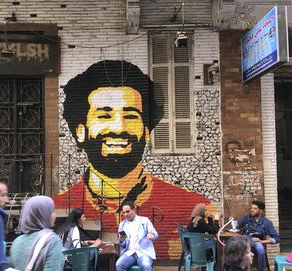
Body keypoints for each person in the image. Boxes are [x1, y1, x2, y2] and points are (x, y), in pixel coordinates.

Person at [54, 60, 211, 259]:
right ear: (80, 131)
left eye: (130, 116)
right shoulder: (60, 203)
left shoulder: (195, 202)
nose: (119, 128)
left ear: (146, 131)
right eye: (104, 116)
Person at [10, 196, 64, 271]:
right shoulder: (51, 241)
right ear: (43, 215)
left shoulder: (17, 242)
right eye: (51, 211)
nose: (55, 215)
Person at [116, 201, 158, 271]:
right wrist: (121, 240)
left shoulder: (144, 221)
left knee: (146, 265)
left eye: (128, 211)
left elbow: (155, 233)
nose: (125, 214)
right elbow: (123, 244)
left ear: (134, 210)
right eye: (124, 212)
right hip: (129, 253)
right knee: (119, 265)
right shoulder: (122, 225)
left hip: (143, 252)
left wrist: (151, 235)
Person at [237, 200, 280, 271]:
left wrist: (261, 242)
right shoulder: (247, 218)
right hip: (245, 242)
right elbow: (236, 226)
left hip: (257, 244)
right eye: (252, 208)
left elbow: (276, 238)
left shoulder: (266, 222)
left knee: (260, 249)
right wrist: (232, 221)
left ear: (261, 210)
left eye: (255, 209)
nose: (252, 210)